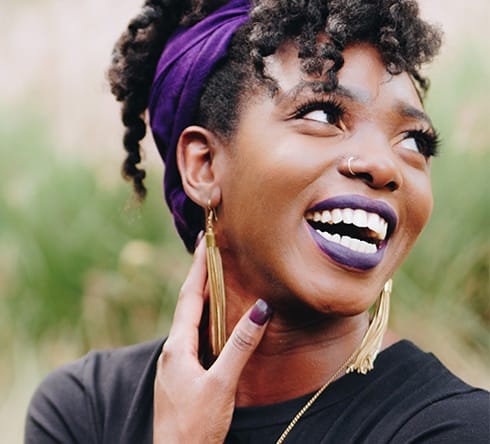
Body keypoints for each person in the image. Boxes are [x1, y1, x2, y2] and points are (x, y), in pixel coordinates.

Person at [25, 0, 489, 443]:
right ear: (204, 166)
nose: (384, 166)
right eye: (323, 113)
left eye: (413, 141)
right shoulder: (87, 410)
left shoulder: (455, 430)